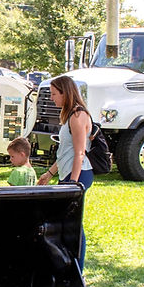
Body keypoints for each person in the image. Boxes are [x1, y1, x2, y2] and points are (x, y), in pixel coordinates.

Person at [38, 75, 92, 269]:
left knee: (74, 224)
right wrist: (49, 174)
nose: (52, 98)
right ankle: (69, 263)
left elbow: (79, 152)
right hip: (67, 173)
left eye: (54, 94)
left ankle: (79, 268)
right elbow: (65, 153)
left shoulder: (78, 115)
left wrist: (73, 184)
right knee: (66, 221)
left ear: (65, 92)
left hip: (78, 174)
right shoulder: (69, 115)